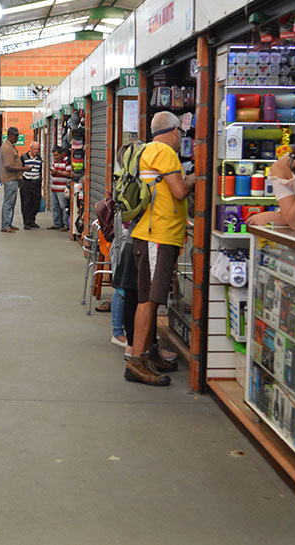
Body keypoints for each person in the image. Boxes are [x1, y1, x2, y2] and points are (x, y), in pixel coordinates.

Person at [125, 112, 195, 386]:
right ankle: (136, 362)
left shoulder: (150, 151)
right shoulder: (164, 152)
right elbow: (179, 191)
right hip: (157, 236)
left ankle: (148, 353)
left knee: (150, 297)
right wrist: (196, 177)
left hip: (154, 234)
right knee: (149, 299)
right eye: (181, 133)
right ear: (175, 131)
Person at [0, 127, 25, 232]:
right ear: (11, 136)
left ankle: (8, 223)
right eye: (16, 136)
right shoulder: (7, 148)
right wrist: (23, 169)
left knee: (11, 203)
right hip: (10, 179)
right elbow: (8, 166)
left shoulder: (8, 146)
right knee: (8, 203)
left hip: (12, 179)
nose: (18, 138)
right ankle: (5, 225)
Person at [19, 141, 43, 229]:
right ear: (31, 149)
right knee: (26, 203)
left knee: (36, 203)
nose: (36, 151)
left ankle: (32, 220)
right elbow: (20, 169)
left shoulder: (39, 159)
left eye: (38, 149)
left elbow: (40, 171)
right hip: (26, 183)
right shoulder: (24, 157)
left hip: (36, 183)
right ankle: (27, 222)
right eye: (35, 149)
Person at [47, 146, 70, 231]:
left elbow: (69, 173)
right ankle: (56, 223)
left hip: (62, 189)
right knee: (55, 207)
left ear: (61, 154)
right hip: (54, 188)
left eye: (57, 155)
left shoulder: (66, 161)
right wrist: (53, 173)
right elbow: (54, 171)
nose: (55, 157)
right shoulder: (55, 162)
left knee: (64, 207)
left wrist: (57, 172)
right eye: (54, 155)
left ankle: (66, 225)